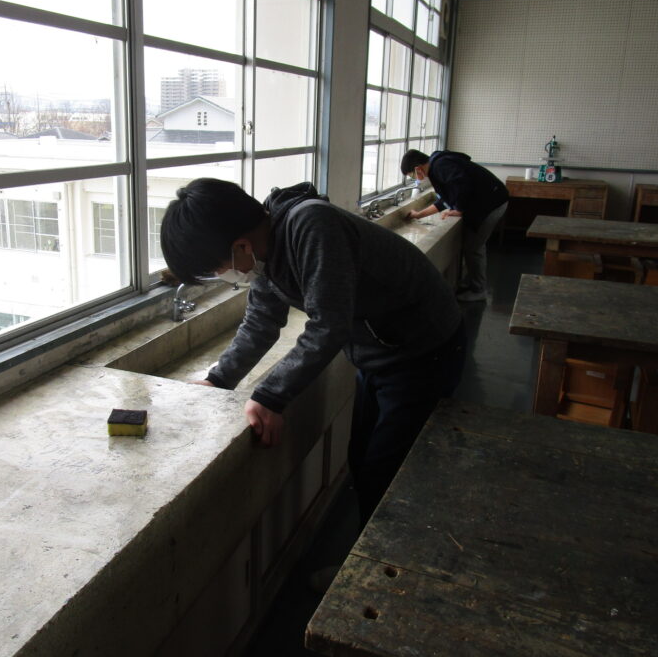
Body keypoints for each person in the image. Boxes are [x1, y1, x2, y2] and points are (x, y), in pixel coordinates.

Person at [161, 178, 465, 526]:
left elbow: (329, 325)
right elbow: (261, 321)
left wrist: (271, 396)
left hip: (424, 350)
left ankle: (392, 558)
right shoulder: (266, 250)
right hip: (380, 352)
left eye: (217, 268)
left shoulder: (312, 225)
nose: (222, 275)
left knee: (391, 476)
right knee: (363, 460)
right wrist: (218, 380)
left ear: (241, 246)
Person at [401, 149, 509, 302]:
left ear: (418, 169)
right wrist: (419, 215)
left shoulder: (441, 166)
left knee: (474, 248)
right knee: (472, 245)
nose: (415, 179)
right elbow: (445, 200)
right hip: (493, 200)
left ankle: (478, 289)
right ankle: (473, 281)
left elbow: (462, 185)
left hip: (493, 204)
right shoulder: (438, 166)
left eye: (412, 175)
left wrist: (459, 209)